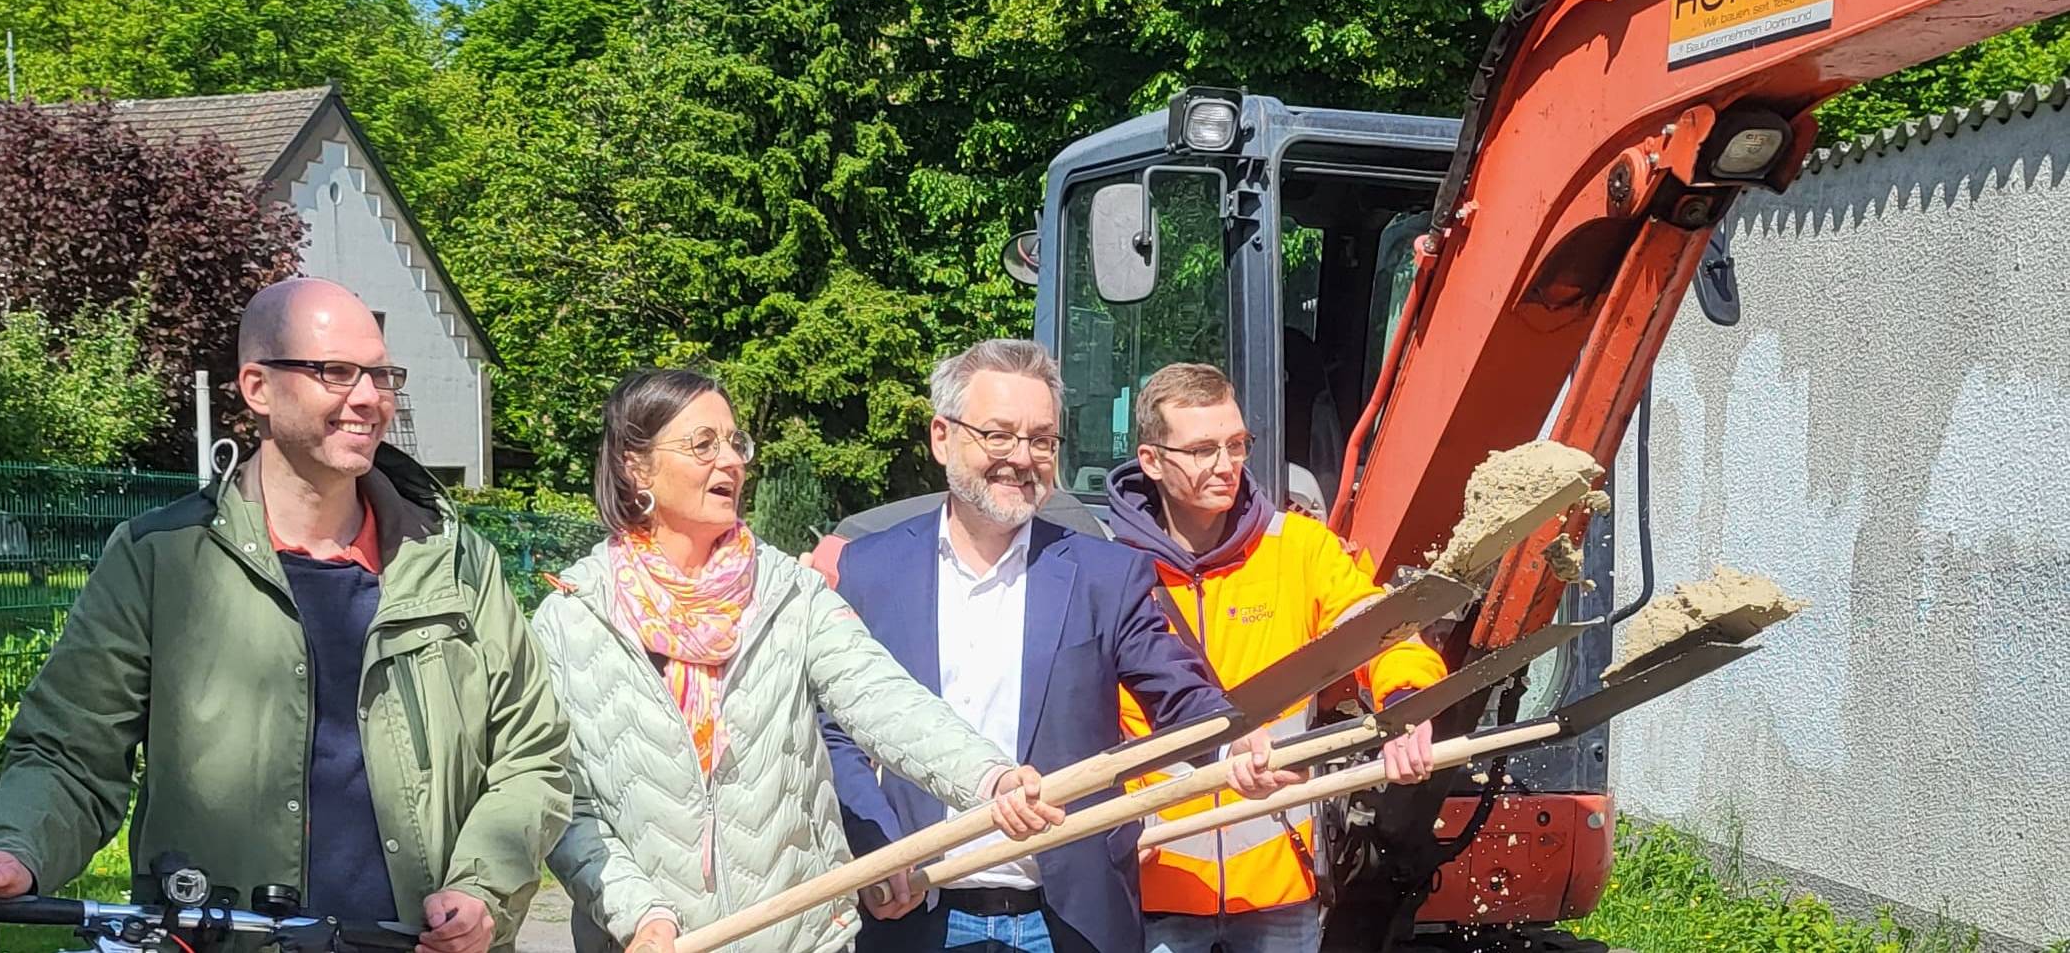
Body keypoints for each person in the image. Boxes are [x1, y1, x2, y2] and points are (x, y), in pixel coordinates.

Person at [0, 279, 572, 953]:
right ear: (258, 387)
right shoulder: (161, 559)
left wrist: (479, 889)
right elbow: (70, 752)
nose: (369, 397)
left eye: (381, 374)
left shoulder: (457, 564)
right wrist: (14, 847)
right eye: (336, 371)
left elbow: (533, 754)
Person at [530, 368, 1066, 953]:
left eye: (734, 442)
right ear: (636, 466)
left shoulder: (789, 593)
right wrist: (641, 917)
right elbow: (566, 804)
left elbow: (884, 698)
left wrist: (989, 778)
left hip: (800, 939)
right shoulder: (573, 620)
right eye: (703, 445)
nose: (730, 462)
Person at [825, 339, 1299, 953]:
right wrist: (875, 843)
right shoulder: (872, 570)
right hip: (917, 914)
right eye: (999, 436)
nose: (1022, 459)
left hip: (1070, 920)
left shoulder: (1106, 575)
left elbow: (1178, 692)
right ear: (943, 437)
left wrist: (1232, 743)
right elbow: (834, 729)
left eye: (1042, 440)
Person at [1107, 362, 1445, 952]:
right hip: (1152, 883)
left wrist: (1407, 702)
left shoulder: (1300, 550)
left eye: (1237, 444)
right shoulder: (1107, 566)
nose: (1226, 465)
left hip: (1280, 882)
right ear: (1151, 460)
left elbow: (1380, 630)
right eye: (1203, 449)